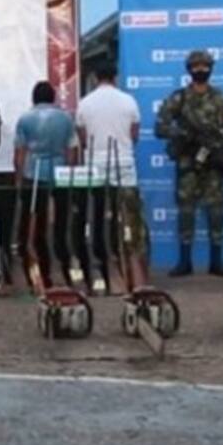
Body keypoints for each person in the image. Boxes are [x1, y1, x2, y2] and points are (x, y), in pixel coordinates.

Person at [155, 50, 223, 278]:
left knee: (216, 211)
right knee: (186, 211)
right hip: (187, 164)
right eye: (196, 66)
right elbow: (161, 127)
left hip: (213, 165)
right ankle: (184, 262)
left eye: (205, 66)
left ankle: (217, 262)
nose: (201, 70)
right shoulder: (179, 98)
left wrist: (220, 152)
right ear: (189, 69)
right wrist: (184, 136)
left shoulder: (221, 98)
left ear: (211, 68)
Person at [76, 63, 148, 286]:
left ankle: (102, 267)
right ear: (115, 77)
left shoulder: (85, 103)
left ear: (95, 78)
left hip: (95, 167)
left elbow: (83, 139)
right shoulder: (128, 101)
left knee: (97, 218)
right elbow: (134, 135)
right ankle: (133, 269)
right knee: (131, 220)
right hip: (124, 166)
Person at [15, 81, 76, 287]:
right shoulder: (65, 118)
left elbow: (20, 152)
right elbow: (72, 150)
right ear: (53, 97)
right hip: (60, 174)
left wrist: (19, 178)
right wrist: (69, 172)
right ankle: (67, 272)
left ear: (34, 98)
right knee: (61, 225)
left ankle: (42, 273)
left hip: (34, 174)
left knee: (35, 225)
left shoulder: (25, 118)